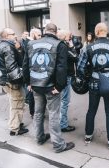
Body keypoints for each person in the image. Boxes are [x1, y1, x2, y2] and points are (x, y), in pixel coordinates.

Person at [23, 23, 75, 153]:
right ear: (56, 32)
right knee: (53, 115)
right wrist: (59, 86)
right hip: (51, 86)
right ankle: (58, 144)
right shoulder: (59, 44)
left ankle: (39, 137)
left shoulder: (30, 44)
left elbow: (25, 64)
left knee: (38, 113)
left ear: (45, 31)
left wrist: (28, 82)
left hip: (36, 84)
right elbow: (61, 68)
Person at [77, 22, 109, 150]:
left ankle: (88, 135)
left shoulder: (88, 47)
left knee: (91, 110)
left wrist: (87, 78)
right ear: (106, 31)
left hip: (93, 83)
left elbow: (80, 68)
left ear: (96, 32)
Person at [0, 28, 29, 136]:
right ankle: (15, 128)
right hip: (12, 81)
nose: (15, 35)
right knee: (17, 103)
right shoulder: (7, 47)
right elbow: (11, 67)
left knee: (14, 103)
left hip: (5, 79)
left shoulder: (2, 45)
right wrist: (19, 80)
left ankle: (16, 123)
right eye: (13, 34)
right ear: (6, 36)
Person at [57, 29, 77, 133]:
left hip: (58, 76)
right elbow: (74, 56)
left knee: (60, 100)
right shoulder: (64, 46)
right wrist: (71, 45)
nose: (71, 37)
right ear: (65, 37)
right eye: (69, 36)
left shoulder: (56, 45)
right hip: (65, 76)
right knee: (65, 101)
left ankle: (60, 122)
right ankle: (63, 125)